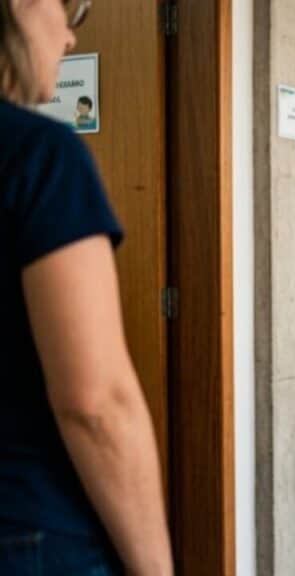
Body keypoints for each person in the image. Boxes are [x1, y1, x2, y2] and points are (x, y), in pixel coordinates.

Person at [0, 0, 172, 573]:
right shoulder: (38, 155)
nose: (71, 39)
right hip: (29, 532)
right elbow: (96, 402)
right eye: (70, 12)